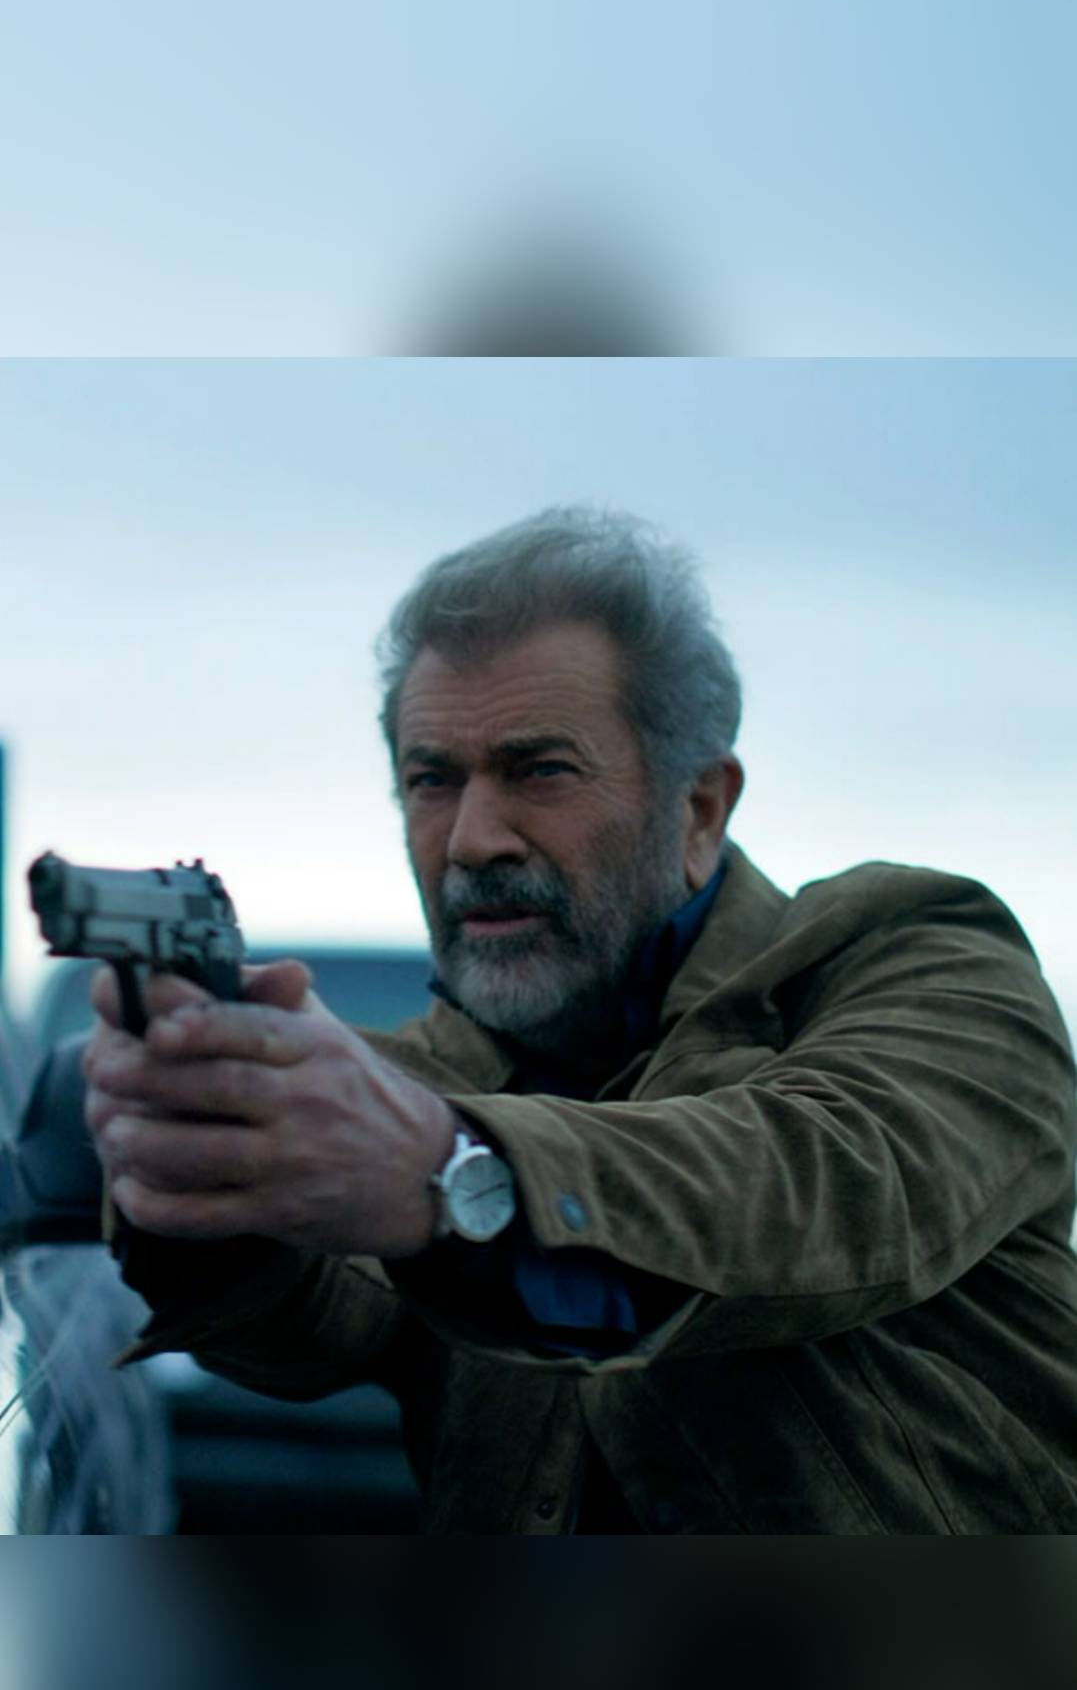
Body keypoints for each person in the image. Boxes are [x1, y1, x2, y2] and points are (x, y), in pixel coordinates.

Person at [82, 507, 1077, 1533]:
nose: (472, 840)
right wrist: (204, 1163)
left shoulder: (920, 951)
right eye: (432, 780)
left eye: (540, 770)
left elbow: (824, 1181)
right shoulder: (424, 1079)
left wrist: (450, 1169)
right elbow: (314, 1331)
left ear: (698, 809)